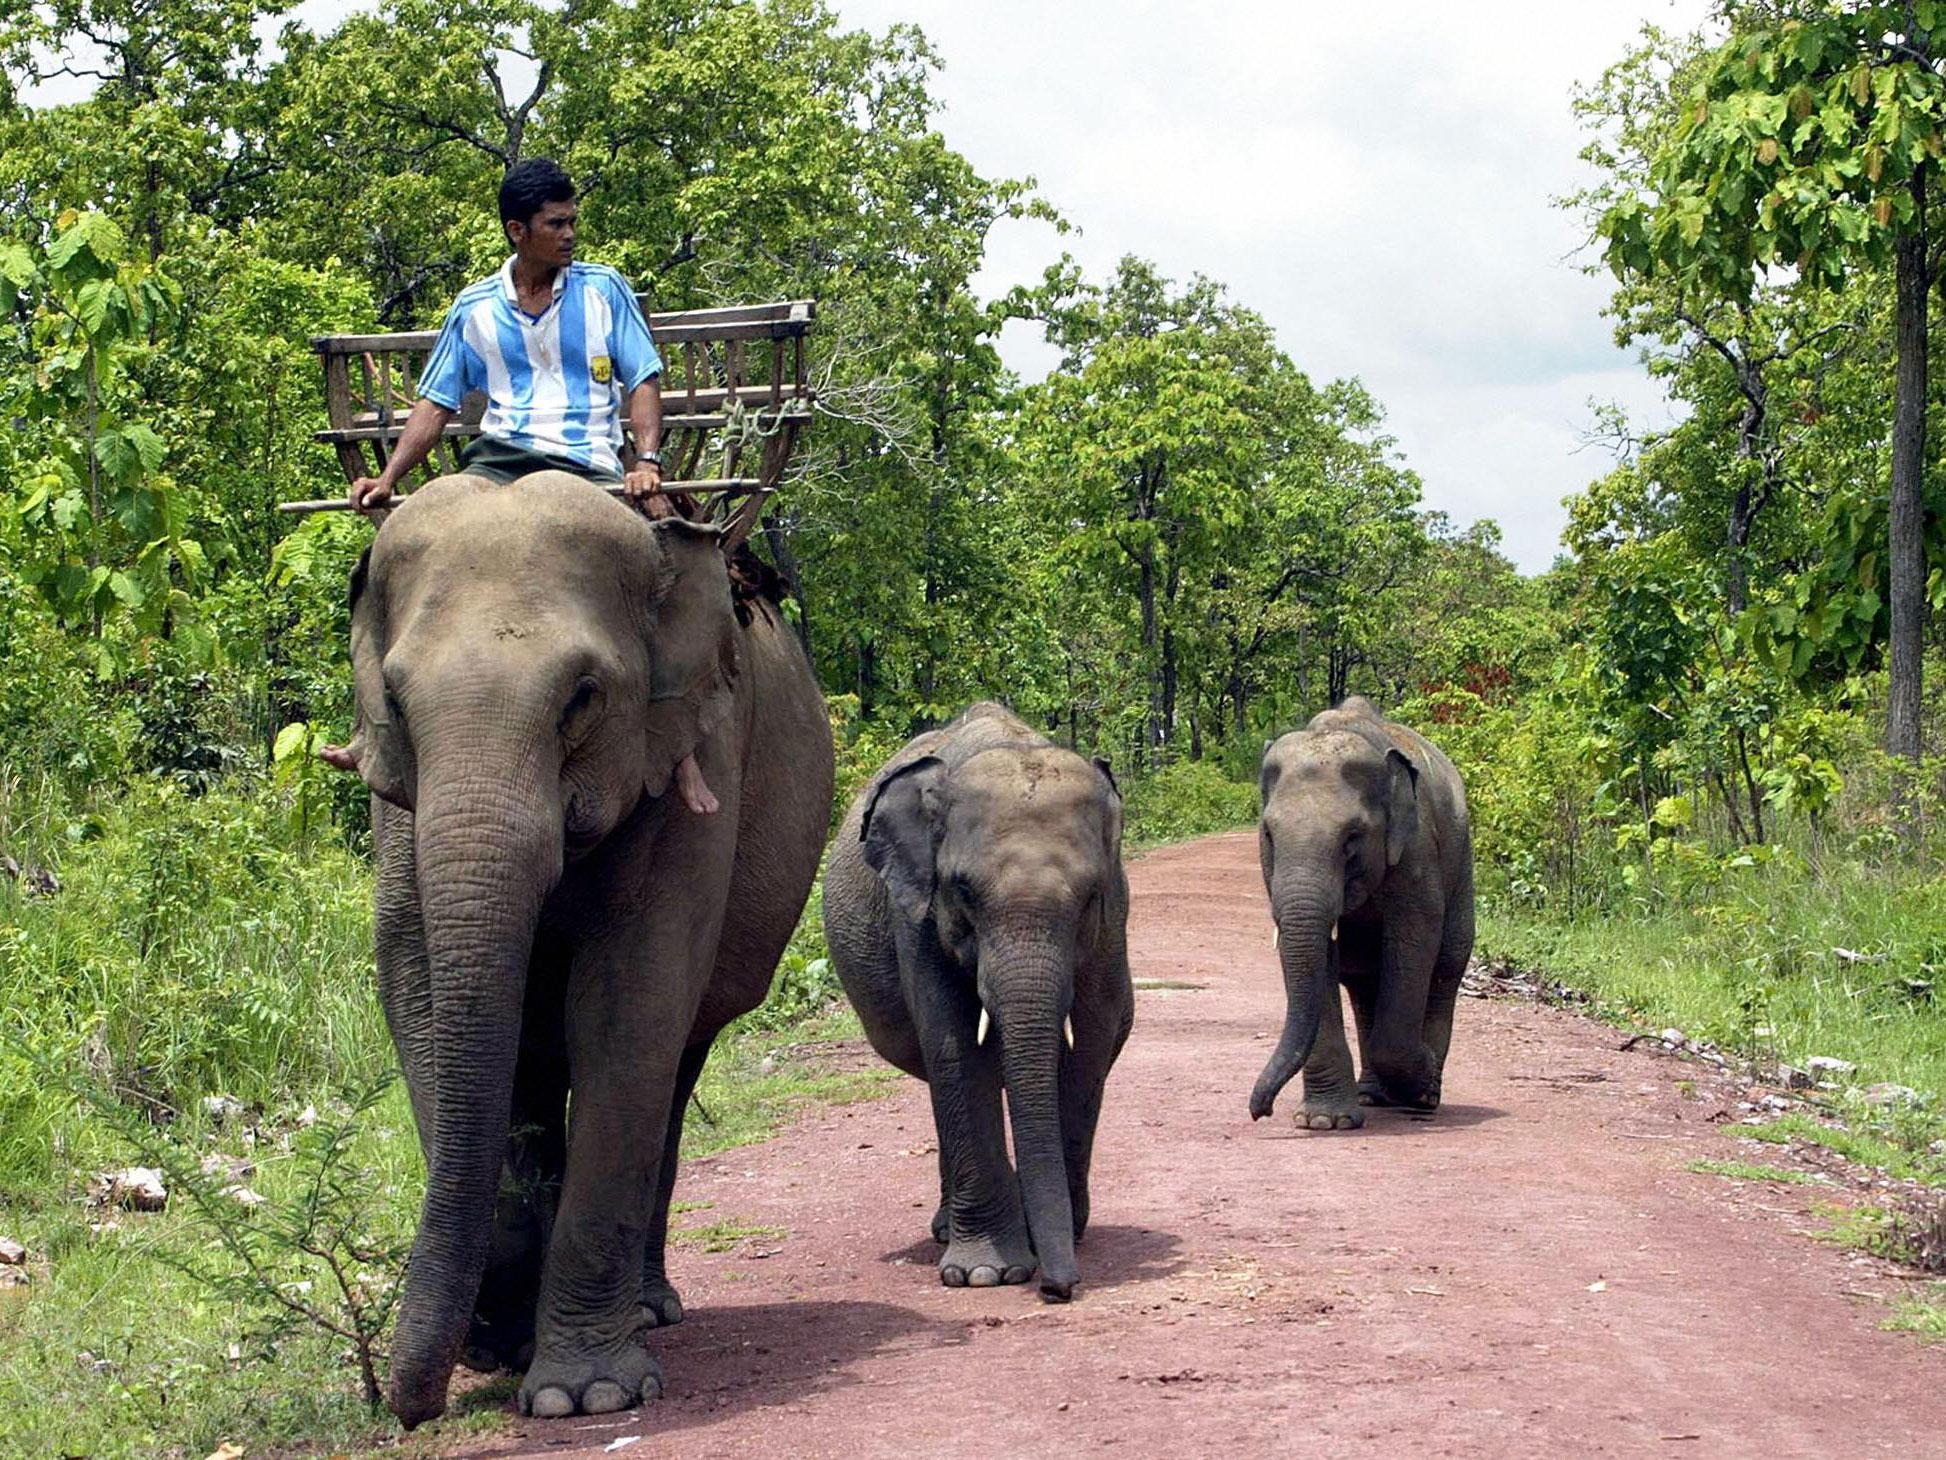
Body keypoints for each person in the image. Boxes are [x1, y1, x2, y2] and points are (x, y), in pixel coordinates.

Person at [322, 157, 719, 815]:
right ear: (517, 230)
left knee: (668, 569)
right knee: (387, 561)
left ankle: (678, 750)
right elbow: (435, 403)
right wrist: (389, 478)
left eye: (572, 222)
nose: (569, 235)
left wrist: (645, 459)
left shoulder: (603, 292)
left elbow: (643, 378)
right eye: (555, 224)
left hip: (588, 464)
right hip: (496, 463)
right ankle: (376, 734)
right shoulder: (476, 308)